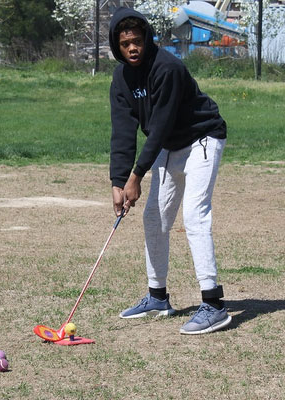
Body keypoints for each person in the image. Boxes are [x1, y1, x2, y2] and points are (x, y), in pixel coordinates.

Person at [108, 7, 231, 335]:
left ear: (146, 39)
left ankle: (214, 304)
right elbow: (122, 130)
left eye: (137, 41)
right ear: (116, 46)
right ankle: (157, 296)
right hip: (169, 144)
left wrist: (137, 177)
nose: (132, 48)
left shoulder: (168, 68)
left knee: (194, 215)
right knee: (154, 217)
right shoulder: (121, 79)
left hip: (201, 138)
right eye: (125, 44)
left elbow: (159, 127)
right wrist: (118, 182)